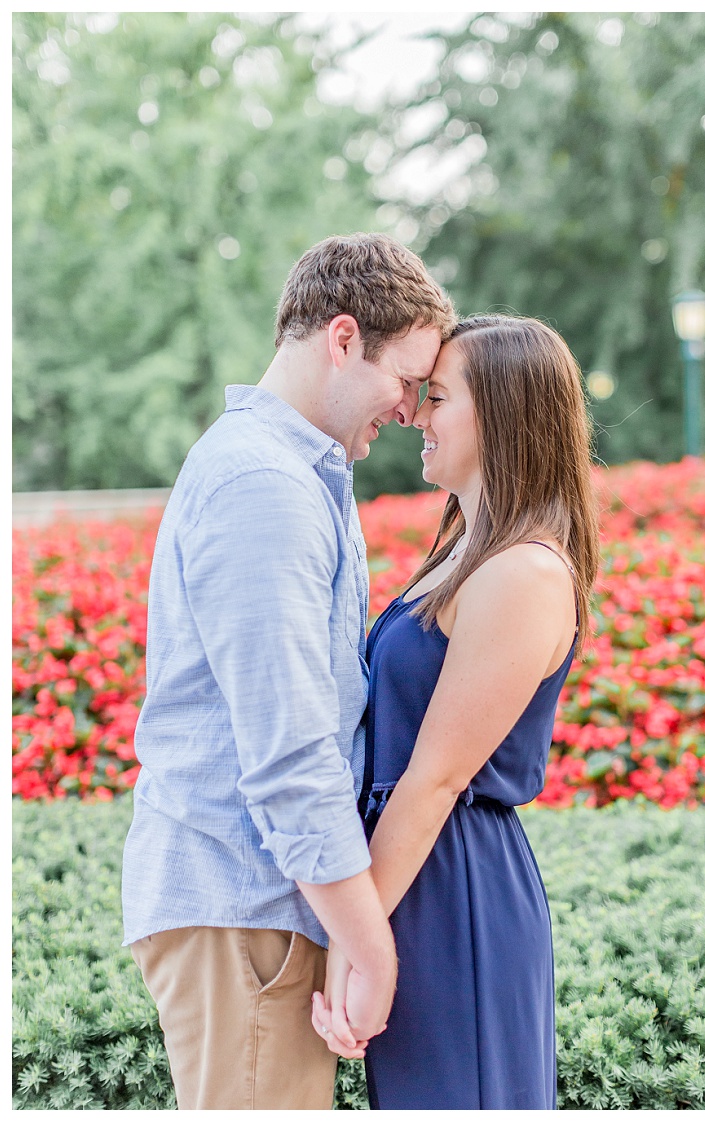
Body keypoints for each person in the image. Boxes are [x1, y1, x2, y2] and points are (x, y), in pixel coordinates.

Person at [121, 233, 456, 1109]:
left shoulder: (301, 473)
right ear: (343, 338)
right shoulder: (262, 485)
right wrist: (370, 946)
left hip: (261, 908)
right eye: (408, 380)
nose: (414, 410)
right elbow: (289, 753)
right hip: (246, 905)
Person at [308, 314, 600, 1109]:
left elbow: (433, 779)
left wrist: (353, 945)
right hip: (409, 875)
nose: (414, 416)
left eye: (436, 398)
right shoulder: (466, 554)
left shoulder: (524, 574)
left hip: (452, 888)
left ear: (503, 413)